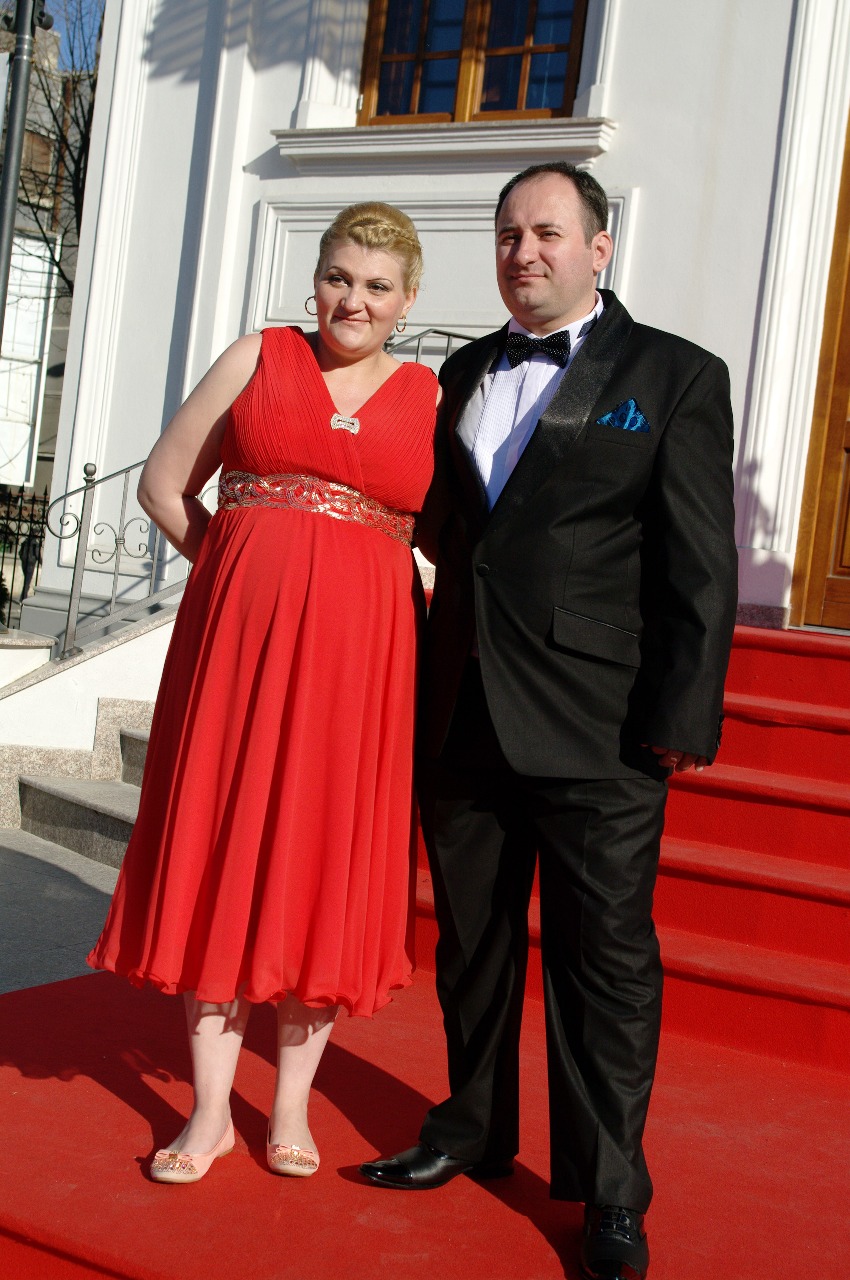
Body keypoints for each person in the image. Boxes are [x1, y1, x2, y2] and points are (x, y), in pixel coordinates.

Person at [359, 164, 737, 1280]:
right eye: (507, 235)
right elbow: (444, 528)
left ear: (599, 247)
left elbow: (700, 562)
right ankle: (471, 1127)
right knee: (472, 946)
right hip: (463, 707)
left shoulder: (675, 373)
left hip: (600, 724)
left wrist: (683, 709)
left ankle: (611, 1189)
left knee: (603, 961)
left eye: (547, 233)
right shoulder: (462, 369)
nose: (523, 252)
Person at [88, 202, 439, 1184]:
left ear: (407, 300)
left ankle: (288, 1108)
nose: (353, 300)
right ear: (314, 279)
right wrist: (234, 573)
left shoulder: (429, 397)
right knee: (219, 848)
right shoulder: (257, 356)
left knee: (323, 858)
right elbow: (164, 485)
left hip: (358, 672)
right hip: (236, 656)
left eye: (376, 286)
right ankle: (208, 1115)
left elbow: (453, 540)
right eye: (338, 278)